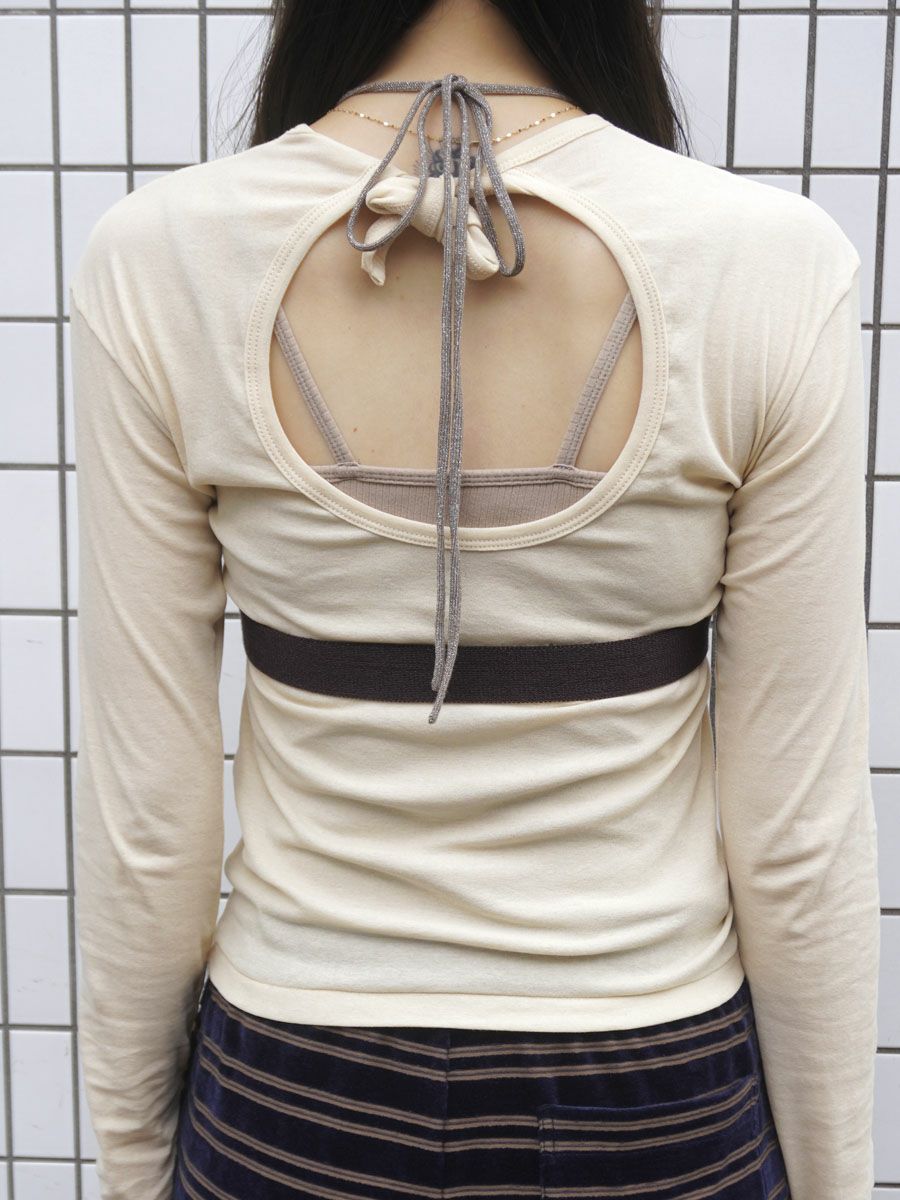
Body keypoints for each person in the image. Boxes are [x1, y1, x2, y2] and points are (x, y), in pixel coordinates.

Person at [68, 1, 880, 1198]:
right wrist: (835, 1179)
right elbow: (799, 834)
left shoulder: (162, 255)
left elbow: (147, 817)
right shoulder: (767, 259)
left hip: (293, 1085)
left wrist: (138, 1170)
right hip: (653, 1087)